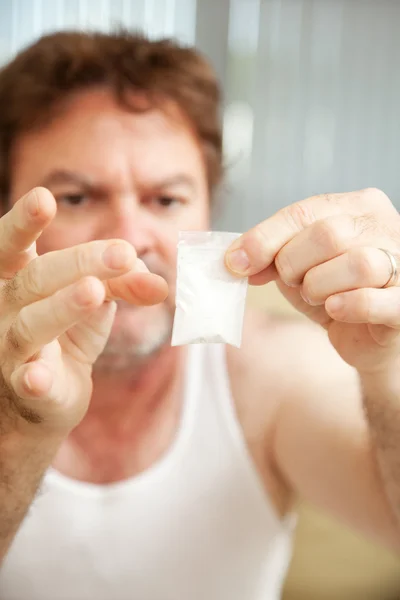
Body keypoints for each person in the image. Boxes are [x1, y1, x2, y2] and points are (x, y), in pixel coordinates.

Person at [0, 29, 399, 600]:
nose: (131, 239)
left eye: (166, 200)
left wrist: (387, 369)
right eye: (76, 197)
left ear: (211, 211)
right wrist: (18, 430)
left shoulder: (267, 372)